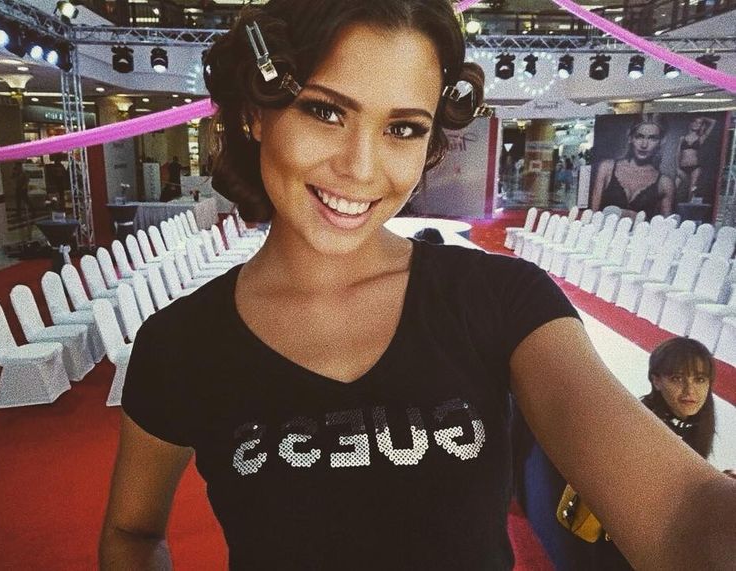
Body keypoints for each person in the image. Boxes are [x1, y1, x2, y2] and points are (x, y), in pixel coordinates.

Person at [99, 2, 736, 569]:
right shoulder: (180, 345)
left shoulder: (501, 301)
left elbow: (680, 511)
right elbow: (131, 532)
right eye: (325, 111)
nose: (360, 168)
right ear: (254, 115)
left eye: (402, 128)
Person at [591, 337, 736, 570]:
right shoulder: (641, 426)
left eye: (699, 379)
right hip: (624, 544)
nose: (690, 390)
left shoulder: (693, 425)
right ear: (656, 380)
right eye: (677, 378)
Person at [591, 114, 675, 219]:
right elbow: (592, 216)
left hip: (642, 230)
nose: (644, 145)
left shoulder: (665, 183)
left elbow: (666, 225)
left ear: (661, 142)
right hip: (604, 229)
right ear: (630, 138)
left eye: (652, 138)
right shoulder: (607, 168)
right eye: (639, 136)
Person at [675, 116, 716, 202]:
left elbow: (713, 122)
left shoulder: (701, 138)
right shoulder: (682, 138)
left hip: (695, 167)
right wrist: (677, 168)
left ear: (701, 126)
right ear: (691, 123)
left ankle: (689, 206)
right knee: (674, 187)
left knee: (692, 189)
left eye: (699, 123)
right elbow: (678, 154)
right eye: (695, 122)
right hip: (682, 167)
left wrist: (703, 118)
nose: (696, 124)